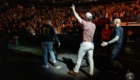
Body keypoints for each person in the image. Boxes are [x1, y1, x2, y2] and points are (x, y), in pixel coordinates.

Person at [69, 4, 96, 77]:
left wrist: (74, 10)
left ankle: (75, 71)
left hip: (85, 44)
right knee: (91, 59)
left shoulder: (85, 23)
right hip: (91, 44)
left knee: (79, 58)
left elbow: (77, 17)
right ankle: (91, 73)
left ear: (86, 18)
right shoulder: (94, 25)